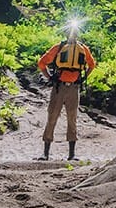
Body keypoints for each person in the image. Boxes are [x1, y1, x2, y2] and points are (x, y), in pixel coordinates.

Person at [36, 21, 96, 160]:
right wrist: (50, 77)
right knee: (52, 117)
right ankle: (45, 153)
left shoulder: (83, 49)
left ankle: (72, 155)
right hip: (60, 86)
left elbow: (92, 65)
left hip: (73, 87)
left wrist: (83, 78)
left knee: (72, 119)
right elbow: (42, 63)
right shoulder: (59, 48)